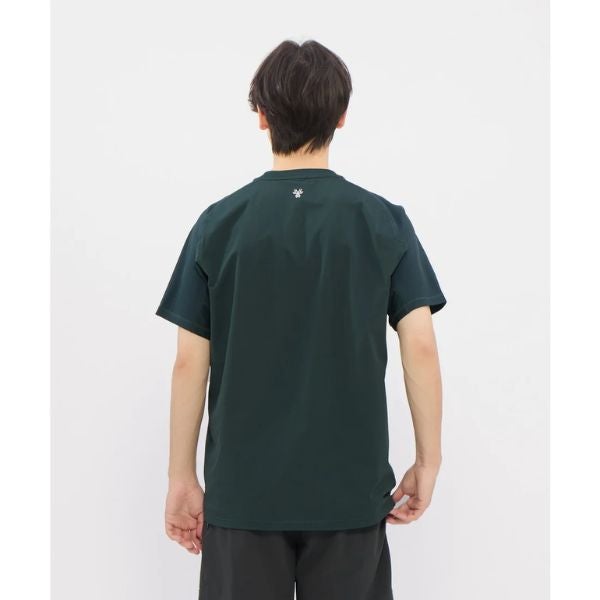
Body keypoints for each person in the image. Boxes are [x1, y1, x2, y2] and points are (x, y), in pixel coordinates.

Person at [155, 39, 447, 600]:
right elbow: (422, 347)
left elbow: (190, 363)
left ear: (261, 116)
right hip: (350, 495)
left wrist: (181, 477)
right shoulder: (384, 222)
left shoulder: (217, 225)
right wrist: (428, 461)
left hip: (243, 497)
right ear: (342, 116)